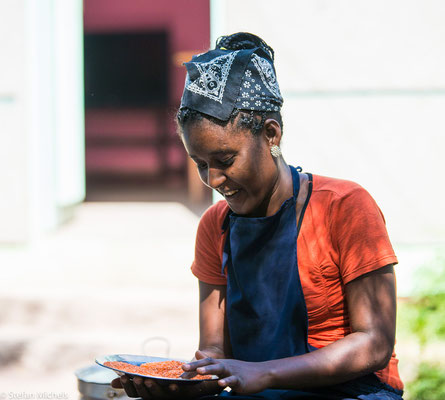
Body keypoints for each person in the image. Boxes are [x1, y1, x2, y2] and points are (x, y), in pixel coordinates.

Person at [112, 32, 404, 399]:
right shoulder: (214, 227)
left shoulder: (343, 206)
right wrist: (185, 384)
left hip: (352, 391)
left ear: (271, 134)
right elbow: (215, 354)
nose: (213, 180)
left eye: (225, 160)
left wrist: (264, 374)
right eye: (200, 164)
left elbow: (374, 342)